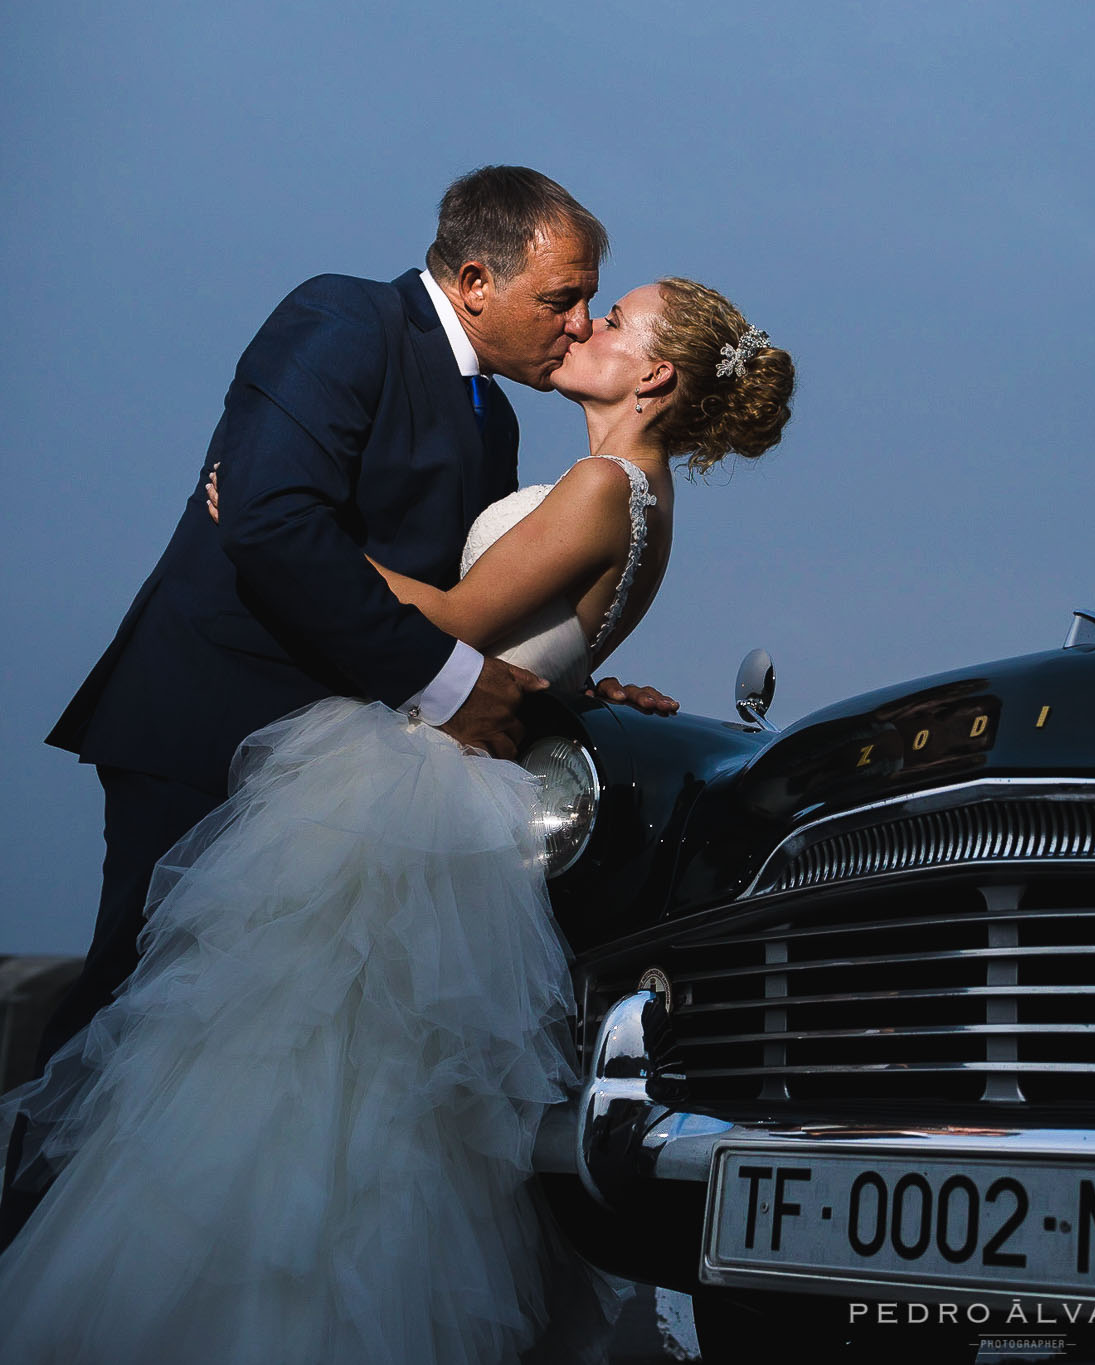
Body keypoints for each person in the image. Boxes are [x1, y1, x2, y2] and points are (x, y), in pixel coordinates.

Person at [0, 275, 796, 1362]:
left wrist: (289, 534)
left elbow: (465, 617)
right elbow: (533, 638)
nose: (588, 326)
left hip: (416, 790)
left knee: (296, 1069)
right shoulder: (632, 489)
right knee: (343, 1085)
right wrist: (593, 692)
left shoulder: (607, 480)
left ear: (652, 372)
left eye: (614, 320)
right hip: (449, 781)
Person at [0, 167, 668, 1245]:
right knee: (132, 1011)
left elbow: (461, 607)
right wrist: (455, 686)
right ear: (474, 278)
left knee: (254, 1051)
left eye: (590, 302)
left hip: (343, 778)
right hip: (208, 728)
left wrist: (574, 690)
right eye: (563, 298)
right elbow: (270, 527)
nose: (579, 321)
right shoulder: (340, 319)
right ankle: (28, 1255)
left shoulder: (490, 422)